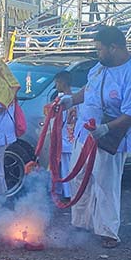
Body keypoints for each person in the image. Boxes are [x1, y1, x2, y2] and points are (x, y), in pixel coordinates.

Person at [58, 26, 131, 248]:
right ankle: (81, 223)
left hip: (110, 138)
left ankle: (108, 231)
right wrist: (71, 100)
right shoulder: (100, 67)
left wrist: (106, 128)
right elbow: (88, 91)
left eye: (99, 49)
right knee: (79, 178)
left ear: (114, 48)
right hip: (84, 134)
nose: (97, 53)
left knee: (105, 184)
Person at [53, 71, 77, 200]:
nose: (55, 85)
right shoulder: (75, 97)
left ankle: (69, 193)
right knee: (65, 165)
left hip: (67, 137)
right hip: (69, 136)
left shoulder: (63, 100)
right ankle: (64, 190)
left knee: (67, 167)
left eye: (56, 83)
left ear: (62, 83)